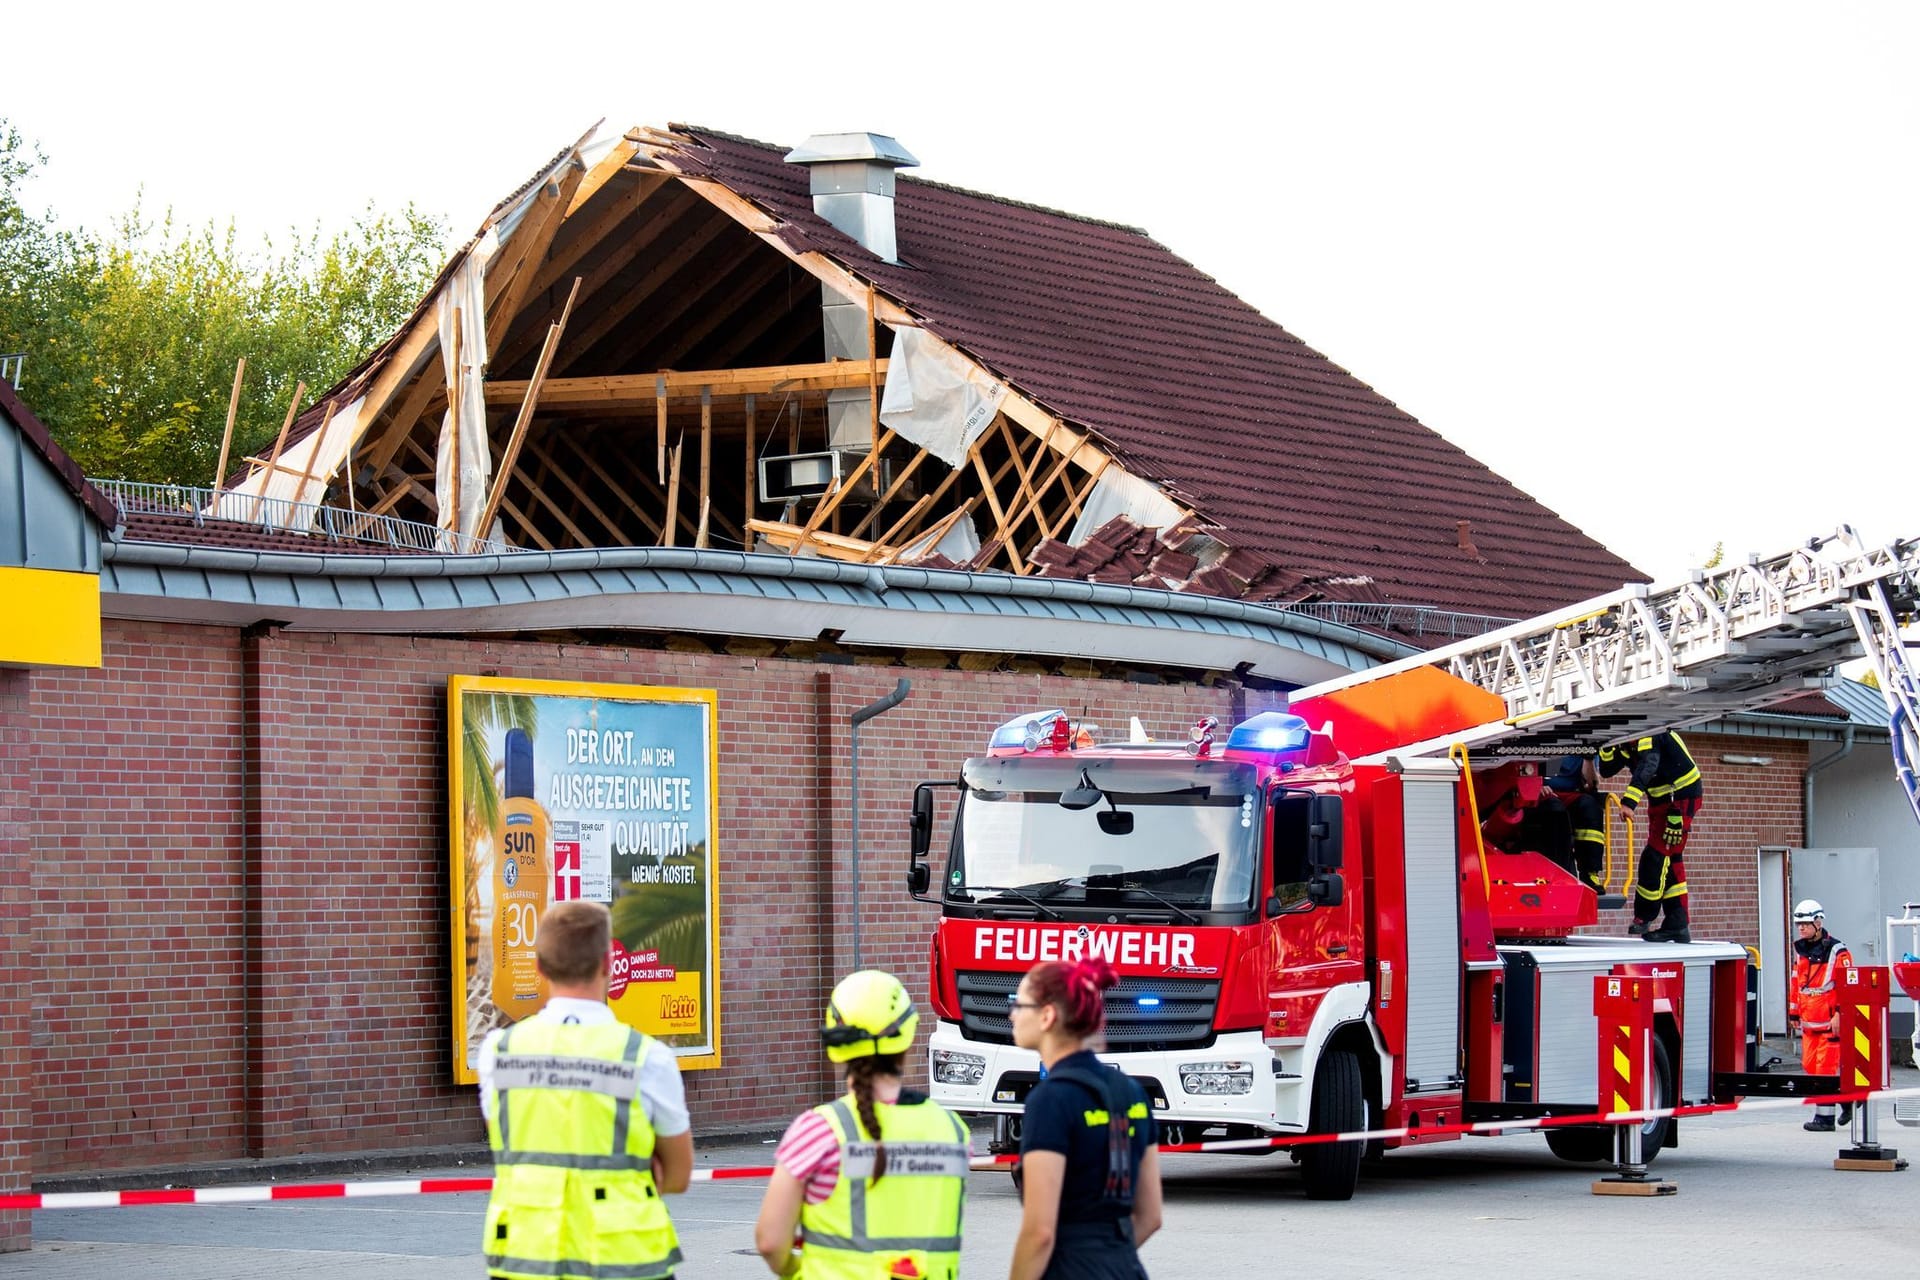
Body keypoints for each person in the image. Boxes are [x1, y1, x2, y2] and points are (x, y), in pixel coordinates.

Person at [478, 900, 693, 1280]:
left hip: (526, 1259)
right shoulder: (647, 1058)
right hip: (624, 1259)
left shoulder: (498, 1052)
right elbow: (677, 1175)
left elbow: (509, 1138)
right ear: (609, 964)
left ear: (540, 966)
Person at [755, 970, 971, 1280]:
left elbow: (770, 1241)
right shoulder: (953, 1131)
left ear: (836, 1042)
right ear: (908, 1035)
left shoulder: (819, 1131)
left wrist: (797, 1271)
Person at [1008, 959, 1163, 1280]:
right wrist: (1106, 1259)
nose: (1012, 1014)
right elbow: (1150, 1216)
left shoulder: (1049, 1100)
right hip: (1125, 1269)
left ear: (1047, 1015)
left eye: (1019, 1004)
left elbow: (1040, 1232)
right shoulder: (1132, 1092)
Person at [1597, 731, 1703, 942]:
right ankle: (1678, 923)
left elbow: (1649, 764)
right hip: (1662, 800)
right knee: (1671, 860)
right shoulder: (1624, 737)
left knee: (1654, 858)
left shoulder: (1648, 729)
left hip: (1679, 798)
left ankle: (1644, 916)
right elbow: (1608, 770)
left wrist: (1629, 802)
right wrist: (1605, 743)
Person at [1789, 899, 1856, 1132]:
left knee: (1824, 1070)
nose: (1801, 928)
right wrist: (1793, 1011)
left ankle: (1824, 1119)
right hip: (1809, 1020)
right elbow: (1796, 982)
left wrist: (1840, 1013)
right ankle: (1848, 1099)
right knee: (1809, 1066)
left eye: (1806, 924)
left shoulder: (1839, 951)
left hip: (1829, 1021)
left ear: (1818, 922)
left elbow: (1846, 985)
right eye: (1799, 925)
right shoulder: (1801, 951)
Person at [1543, 755, 1607, 893]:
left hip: (1571, 794)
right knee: (1555, 809)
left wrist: (1588, 759)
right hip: (1542, 794)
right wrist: (1536, 785)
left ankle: (1589, 873)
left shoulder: (1584, 743)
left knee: (1591, 807)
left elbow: (1591, 785)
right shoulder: (1541, 740)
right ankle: (1560, 872)